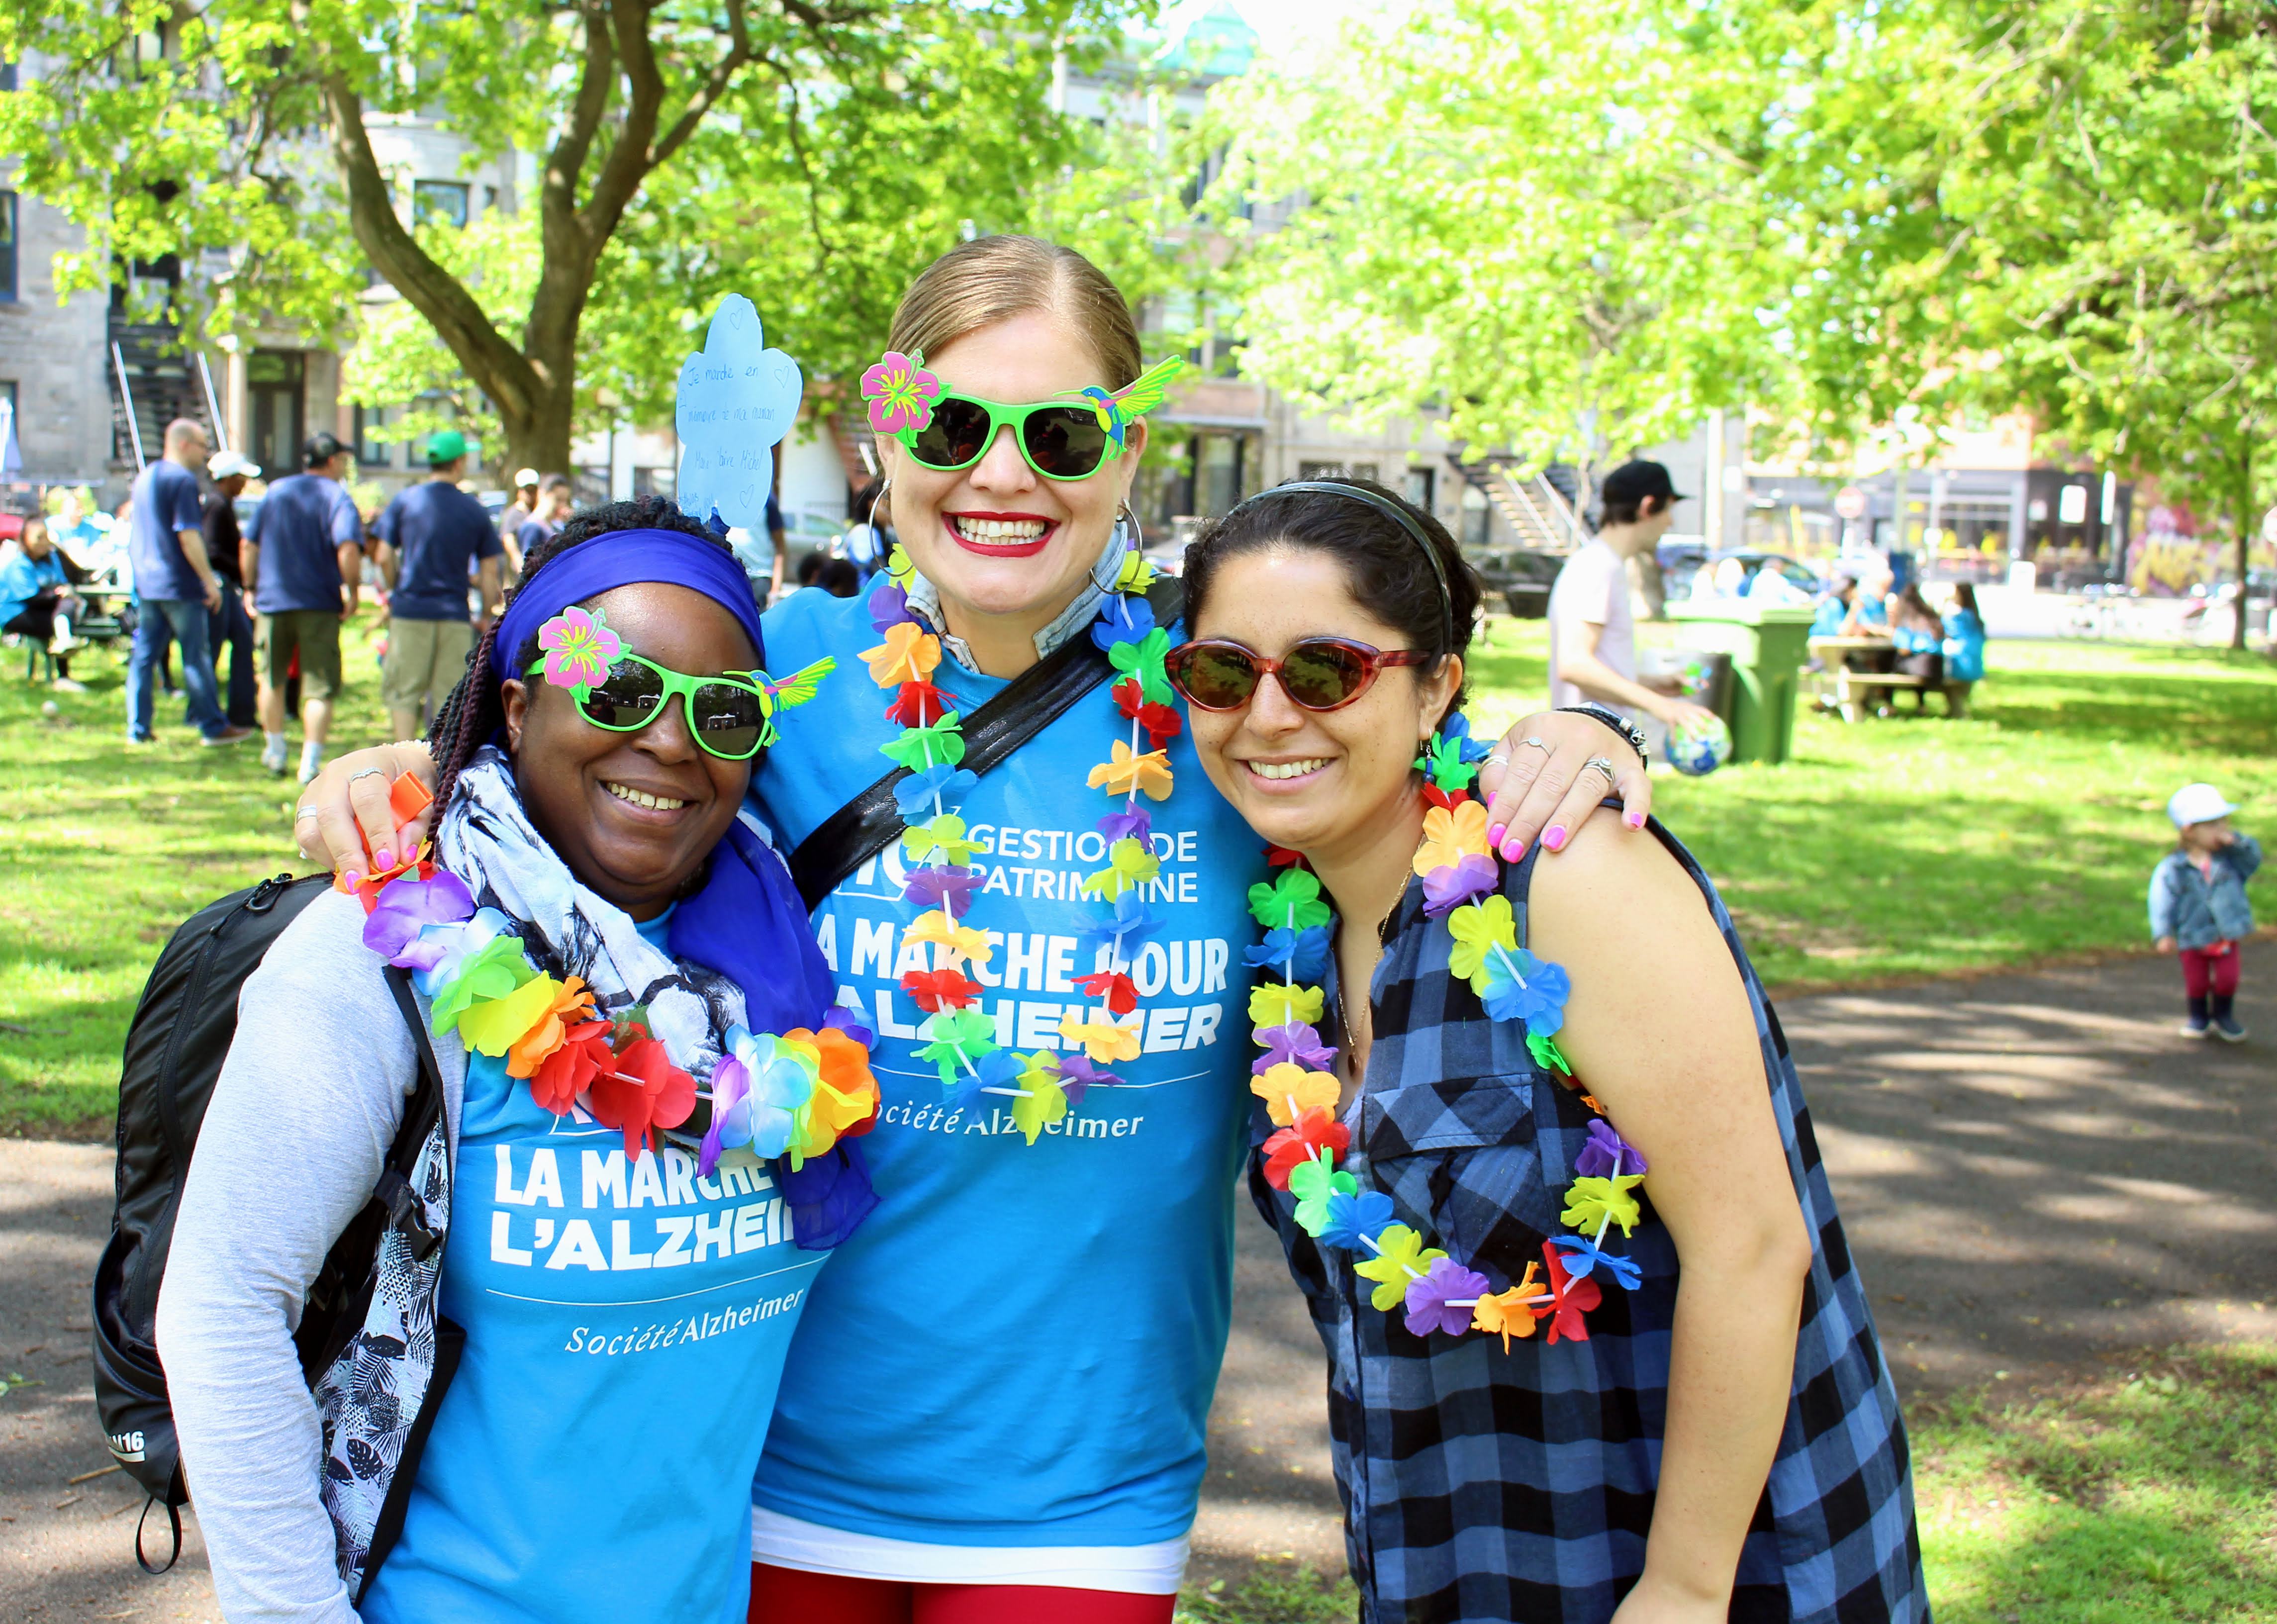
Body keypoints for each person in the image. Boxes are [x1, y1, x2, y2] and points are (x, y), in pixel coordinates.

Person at [293, 236, 1655, 1621]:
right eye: (953, 425)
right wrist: (392, 765)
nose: (1004, 475)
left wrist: (1579, 731)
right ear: (886, 440)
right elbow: (587, 750)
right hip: (763, 1471)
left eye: (1061, 434)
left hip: (1081, 1496)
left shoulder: (1230, 704)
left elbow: (1411, 753)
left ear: (1129, 455)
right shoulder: (781, 676)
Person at [1173, 478, 1926, 1624]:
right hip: (1456, 1552)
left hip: (1699, 1562)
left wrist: (1680, 1586)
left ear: (1435, 686)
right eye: (1223, 671)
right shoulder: (1283, 939)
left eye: (1325, 668)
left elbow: (1753, 1246)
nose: (1268, 714)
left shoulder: (1559, 875)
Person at [159, 504, 876, 1624]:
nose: (672, 744)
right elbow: (222, 1306)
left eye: (723, 712)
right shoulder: (375, 959)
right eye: (617, 689)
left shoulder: (778, 971)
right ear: (515, 699)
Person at [1546, 460, 1715, 746]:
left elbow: (1597, 665)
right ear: (1648, 507)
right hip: (1588, 748)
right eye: (1669, 509)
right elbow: (1574, 664)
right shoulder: (1598, 567)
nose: (1670, 522)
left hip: (1595, 745)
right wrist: (1662, 707)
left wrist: (1651, 683)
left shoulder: (1603, 564)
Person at [245, 431, 364, 782]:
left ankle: (275, 750)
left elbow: (249, 545)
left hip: (272, 599)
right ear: (332, 461)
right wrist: (353, 589)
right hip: (318, 602)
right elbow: (347, 548)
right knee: (319, 684)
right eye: (342, 459)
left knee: (271, 676)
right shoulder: (337, 497)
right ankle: (309, 762)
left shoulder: (275, 492)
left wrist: (250, 587)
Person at [127, 418, 253, 747]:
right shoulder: (182, 480)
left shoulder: (145, 478)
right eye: (201, 446)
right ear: (184, 444)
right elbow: (188, 536)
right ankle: (212, 725)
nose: (205, 454)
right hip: (179, 583)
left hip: (148, 582)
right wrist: (209, 581)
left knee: (145, 657)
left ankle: (138, 727)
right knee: (196, 656)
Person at [377, 430, 504, 740]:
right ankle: (437, 768)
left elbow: (382, 556)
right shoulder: (474, 510)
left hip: (409, 612)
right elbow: (491, 571)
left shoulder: (405, 501)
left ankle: (404, 763)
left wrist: (396, 589)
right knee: (448, 699)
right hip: (454, 615)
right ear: (460, 462)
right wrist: (487, 612)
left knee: (404, 694)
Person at [2150, 783, 2259, 1042]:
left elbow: (2253, 860)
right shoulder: (2174, 868)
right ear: (2189, 831)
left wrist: (2237, 842)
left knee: (2228, 979)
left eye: (2224, 824)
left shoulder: (2231, 860)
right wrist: (2163, 933)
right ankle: (2199, 1017)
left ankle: (2224, 1016)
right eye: (2213, 826)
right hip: (2192, 934)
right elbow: (2162, 901)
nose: (2222, 832)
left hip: (2225, 933)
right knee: (2197, 982)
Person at [0, 514, 86, 692]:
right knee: (60, 621)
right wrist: (58, 594)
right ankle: (63, 675)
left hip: (45, 609)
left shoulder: (52, 560)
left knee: (64, 610)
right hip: (16, 613)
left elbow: (61, 584)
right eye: (38, 538)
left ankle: (63, 672)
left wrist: (63, 593)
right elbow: (31, 598)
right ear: (25, 539)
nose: (44, 543)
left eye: (46, 537)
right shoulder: (19, 565)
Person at [204, 449, 263, 729]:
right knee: (212, 651)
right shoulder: (216, 505)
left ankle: (241, 712)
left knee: (241, 643)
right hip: (221, 588)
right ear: (228, 479)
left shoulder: (223, 504)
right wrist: (241, 569)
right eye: (240, 478)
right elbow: (212, 550)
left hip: (228, 586)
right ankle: (205, 712)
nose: (244, 484)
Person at [516, 475, 572, 564]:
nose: (563, 505)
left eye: (565, 501)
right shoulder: (532, 527)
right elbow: (529, 566)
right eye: (558, 500)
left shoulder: (555, 525)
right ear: (543, 494)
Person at [497, 465, 541, 574]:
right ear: (520, 491)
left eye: (533, 490)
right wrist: (518, 563)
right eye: (527, 491)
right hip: (521, 570)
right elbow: (508, 539)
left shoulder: (534, 512)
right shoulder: (513, 514)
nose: (531, 494)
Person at [1942, 581, 1986, 683]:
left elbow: (1947, 628)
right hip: (1974, 665)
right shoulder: (1974, 615)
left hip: (1961, 662)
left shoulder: (1960, 616)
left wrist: (1944, 604)